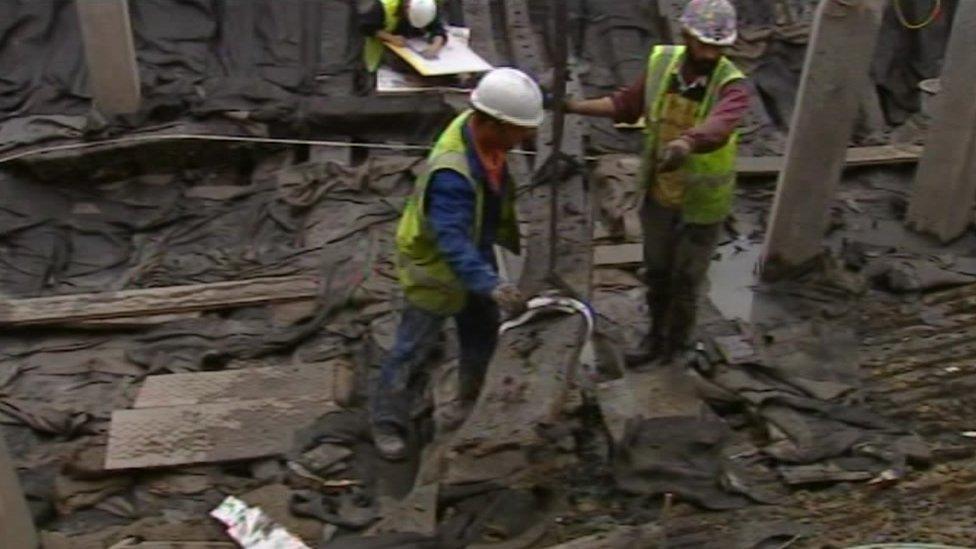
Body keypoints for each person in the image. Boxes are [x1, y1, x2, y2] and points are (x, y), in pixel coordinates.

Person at [370, 68, 544, 460]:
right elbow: (451, 241)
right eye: (520, 130)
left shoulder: (478, 131)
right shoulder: (453, 175)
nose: (525, 138)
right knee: (412, 346)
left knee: (482, 333)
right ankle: (386, 421)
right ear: (494, 124)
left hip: (474, 253)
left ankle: (471, 398)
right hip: (436, 267)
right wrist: (492, 284)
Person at [564, 0, 749, 366]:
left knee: (686, 281)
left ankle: (677, 348)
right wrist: (573, 106)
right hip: (661, 193)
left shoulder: (732, 86)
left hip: (701, 204)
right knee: (658, 272)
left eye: (717, 47)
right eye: (703, 44)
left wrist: (687, 143)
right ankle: (654, 340)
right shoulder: (662, 63)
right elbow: (625, 105)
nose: (710, 53)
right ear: (686, 36)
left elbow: (720, 125)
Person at [359, 0, 447, 74]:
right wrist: (391, 38)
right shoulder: (381, 7)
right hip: (382, 47)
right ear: (406, 7)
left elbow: (438, 29)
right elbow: (366, 27)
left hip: (409, 45)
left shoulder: (427, 6)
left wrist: (435, 47)